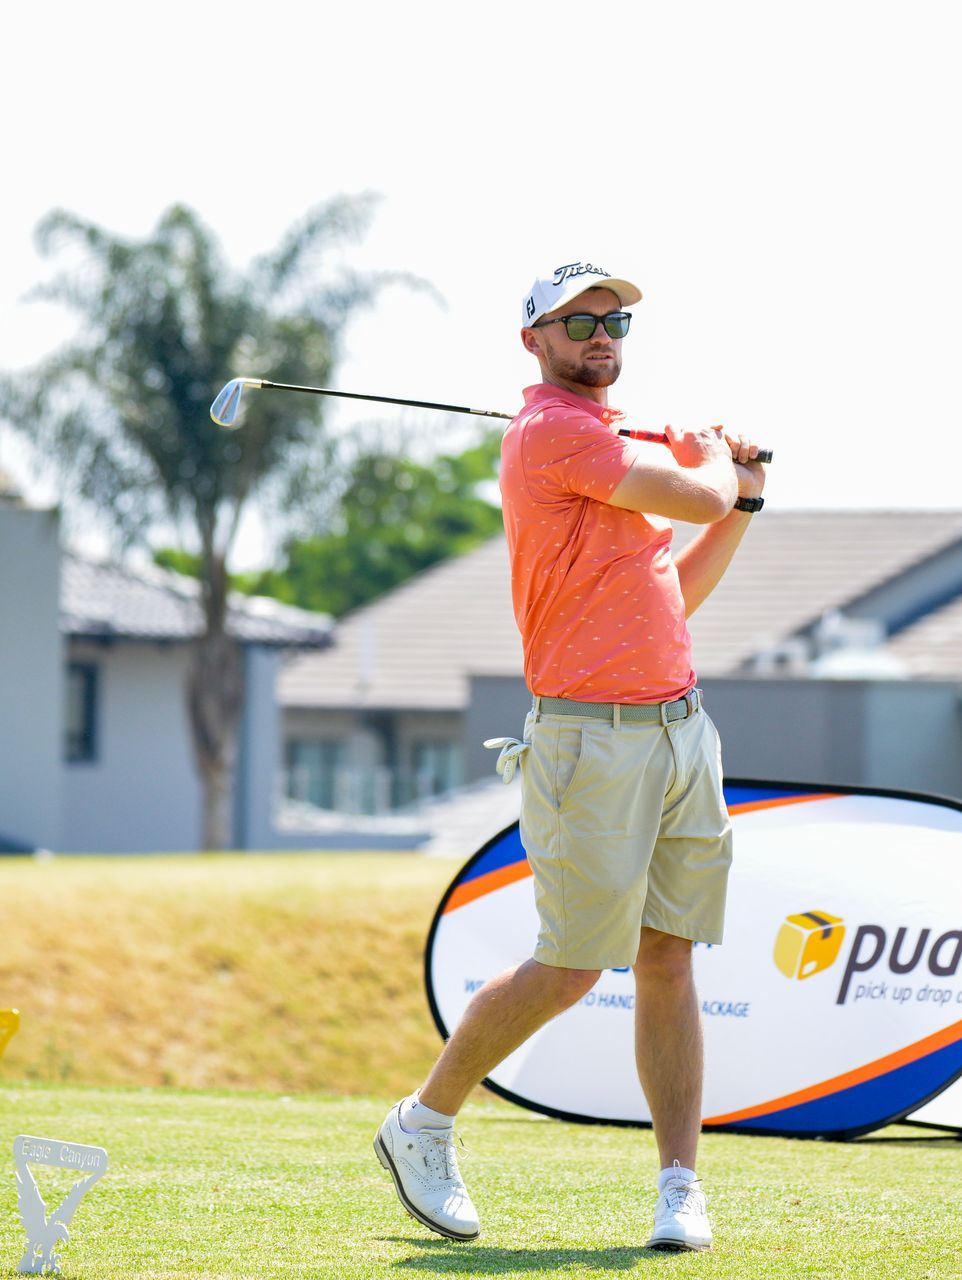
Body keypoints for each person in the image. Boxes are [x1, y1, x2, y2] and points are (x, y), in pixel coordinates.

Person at [373, 262, 766, 1252]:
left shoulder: (604, 444)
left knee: (668, 955)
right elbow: (693, 495)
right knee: (571, 965)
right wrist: (712, 463)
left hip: (679, 726)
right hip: (589, 738)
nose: (601, 334)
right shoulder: (553, 433)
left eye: (614, 321)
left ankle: (679, 1186)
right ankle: (422, 1122)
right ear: (535, 341)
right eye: (578, 320)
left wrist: (742, 498)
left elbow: (675, 589)